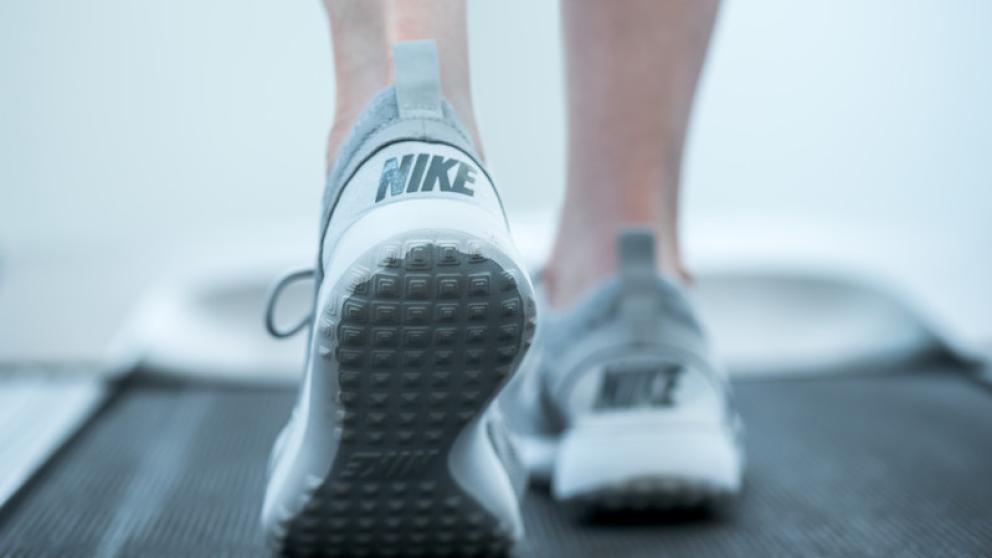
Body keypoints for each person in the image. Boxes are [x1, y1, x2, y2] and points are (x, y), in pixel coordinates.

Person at [261, 1, 741, 556]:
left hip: (382, 191)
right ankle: (624, 301)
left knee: (399, 93)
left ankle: (389, 159)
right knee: (625, 237)